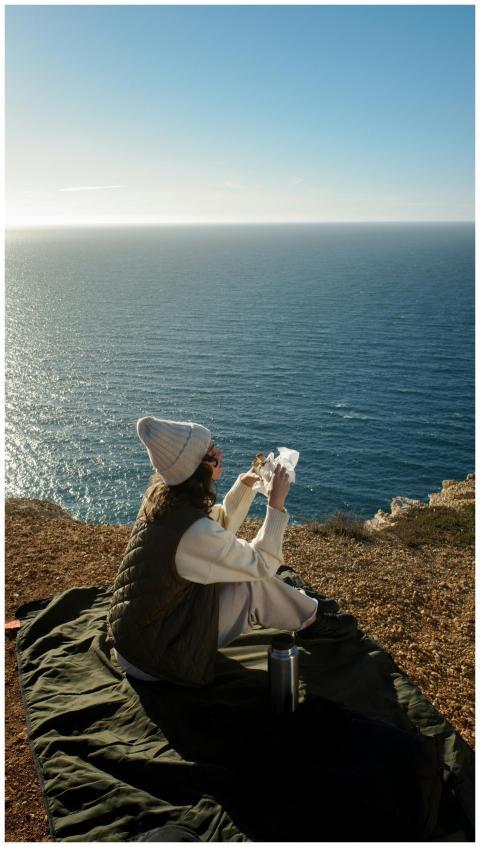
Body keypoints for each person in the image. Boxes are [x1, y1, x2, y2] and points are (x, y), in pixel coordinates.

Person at [108, 416, 356, 686]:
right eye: (212, 450)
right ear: (197, 467)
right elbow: (261, 564)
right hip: (158, 656)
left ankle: (309, 611)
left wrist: (247, 484)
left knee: (236, 573)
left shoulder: (162, 497)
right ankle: (313, 622)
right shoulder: (193, 532)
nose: (219, 452)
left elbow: (215, 532)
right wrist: (276, 505)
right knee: (251, 585)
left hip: (140, 639)